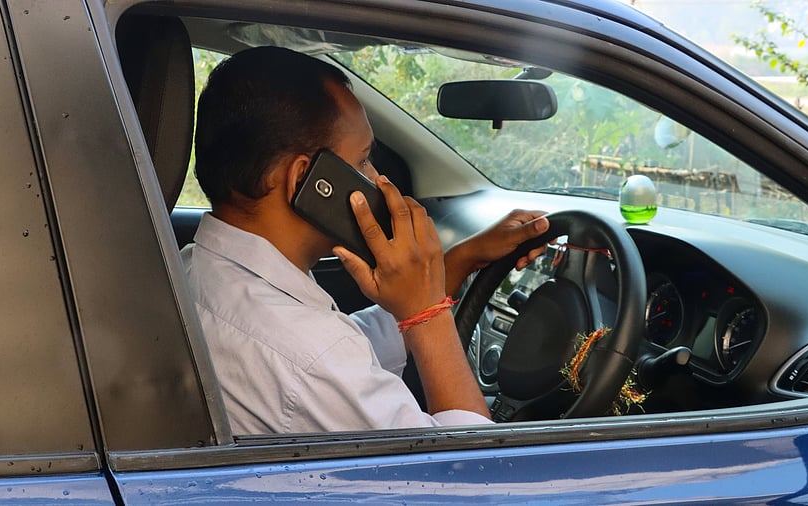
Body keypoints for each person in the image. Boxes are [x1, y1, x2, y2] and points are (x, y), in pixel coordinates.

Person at [183, 46, 550, 434]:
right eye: (361, 161)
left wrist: (459, 261)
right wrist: (430, 313)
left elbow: (348, 349)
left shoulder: (196, 266)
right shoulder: (311, 360)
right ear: (308, 181)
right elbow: (472, 473)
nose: (376, 179)